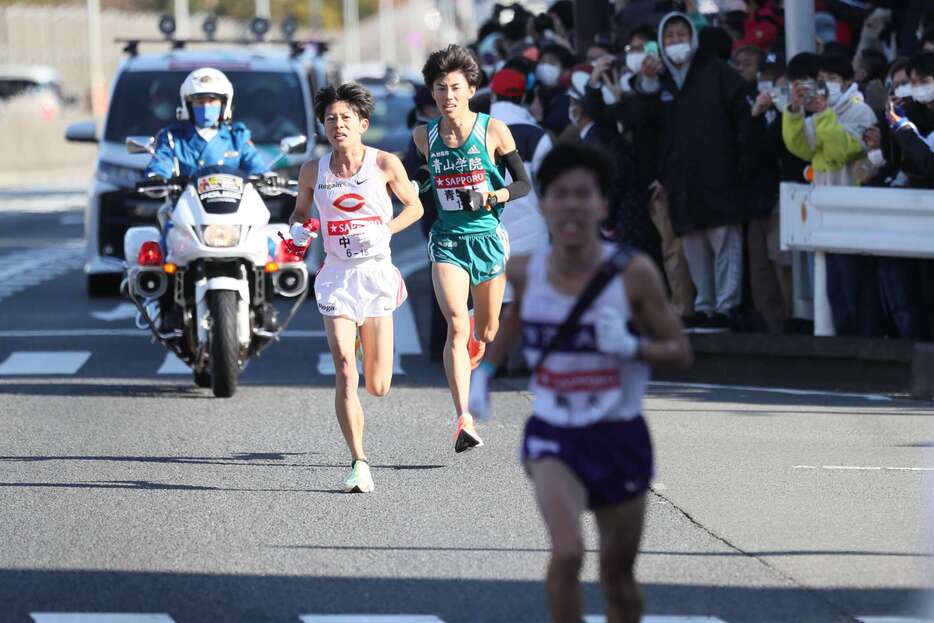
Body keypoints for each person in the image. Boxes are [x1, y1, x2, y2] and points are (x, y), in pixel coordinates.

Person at [471, 143, 692, 623]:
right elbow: (511, 325)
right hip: (555, 433)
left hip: (619, 433)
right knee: (568, 553)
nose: (571, 204)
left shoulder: (633, 273)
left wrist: (633, 347)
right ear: (544, 205)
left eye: (583, 194)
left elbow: (679, 350)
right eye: (560, 194)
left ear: (602, 206)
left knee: (617, 577)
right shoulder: (527, 272)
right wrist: (484, 373)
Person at [288, 83, 424, 492]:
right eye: (331, 119)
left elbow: (414, 207)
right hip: (337, 276)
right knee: (345, 369)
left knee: (377, 386)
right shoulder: (313, 171)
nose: (338, 125)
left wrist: (385, 229)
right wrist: (299, 231)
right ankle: (359, 462)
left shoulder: (384, 164)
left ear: (363, 124)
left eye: (346, 118)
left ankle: (367, 349)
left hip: (376, 274)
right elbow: (300, 210)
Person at [413, 44, 532, 453]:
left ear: (471, 89)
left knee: (485, 330)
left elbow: (523, 184)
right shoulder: (423, 136)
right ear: (432, 93)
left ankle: (478, 345)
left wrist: (493, 196)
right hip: (447, 241)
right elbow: (421, 183)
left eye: (456, 88)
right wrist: (416, 187)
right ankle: (464, 418)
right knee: (456, 326)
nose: (448, 96)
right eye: (441, 88)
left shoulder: (493, 129)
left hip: (487, 240)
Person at [144, 67, 271, 333]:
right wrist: (157, 176)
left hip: (232, 212)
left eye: (212, 101)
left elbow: (256, 164)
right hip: (190, 212)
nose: (206, 107)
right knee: (166, 246)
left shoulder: (238, 135)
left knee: (267, 243)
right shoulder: (172, 136)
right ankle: (168, 309)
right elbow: (161, 162)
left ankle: (263, 304)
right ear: (186, 105)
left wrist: (268, 176)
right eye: (199, 101)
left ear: (224, 104)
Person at [783, 52, 880, 336]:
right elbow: (800, 147)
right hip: (825, 211)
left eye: (833, 79)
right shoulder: (822, 113)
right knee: (834, 286)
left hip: (853, 210)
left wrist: (823, 113)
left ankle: (865, 339)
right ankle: (841, 339)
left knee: (856, 282)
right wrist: (794, 111)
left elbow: (842, 150)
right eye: (822, 79)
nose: (826, 84)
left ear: (848, 81)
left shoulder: (860, 111)